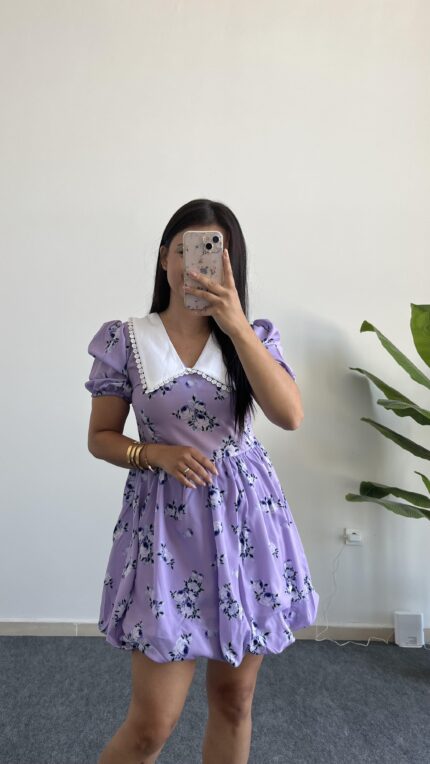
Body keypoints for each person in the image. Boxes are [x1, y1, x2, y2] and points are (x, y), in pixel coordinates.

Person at [84, 198, 319, 764]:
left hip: (245, 526)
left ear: (232, 264)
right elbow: (101, 437)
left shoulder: (252, 336)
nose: (196, 264)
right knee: (151, 726)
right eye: (185, 250)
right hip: (164, 531)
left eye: (213, 253)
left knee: (234, 702)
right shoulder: (126, 340)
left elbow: (290, 414)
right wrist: (154, 453)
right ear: (164, 257)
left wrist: (235, 325)